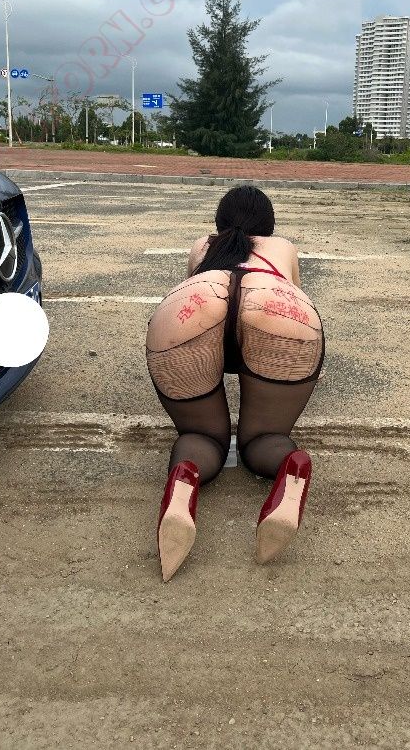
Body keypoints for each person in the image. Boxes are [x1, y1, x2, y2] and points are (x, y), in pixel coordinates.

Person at [146, 184, 325, 581]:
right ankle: (289, 466)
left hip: (194, 303)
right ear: (269, 225)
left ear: (219, 223)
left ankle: (183, 481)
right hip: (276, 305)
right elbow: (296, 290)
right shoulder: (283, 247)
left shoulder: (202, 246)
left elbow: (204, 309)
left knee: (201, 437)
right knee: (265, 437)